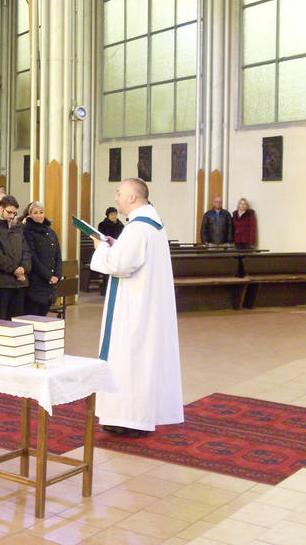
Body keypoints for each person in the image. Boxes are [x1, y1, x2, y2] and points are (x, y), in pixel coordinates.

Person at [89, 178, 183, 437]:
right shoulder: (151, 225)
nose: (116, 198)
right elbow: (130, 256)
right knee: (137, 362)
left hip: (133, 310)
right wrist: (114, 245)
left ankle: (130, 419)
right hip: (143, 305)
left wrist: (101, 248)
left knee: (129, 361)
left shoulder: (138, 228)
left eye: (119, 193)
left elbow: (120, 265)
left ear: (132, 197)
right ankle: (128, 417)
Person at [0, 195, 31, 320]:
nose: (12, 216)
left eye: (14, 213)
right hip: (0, 283)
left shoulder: (17, 228)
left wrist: (23, 268)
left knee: (17, 322)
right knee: (0, 322)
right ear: (1, 209)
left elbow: (26, 251)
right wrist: (14, 269)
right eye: (9, 212)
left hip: (19, 282)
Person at [21, 201, 62, 317]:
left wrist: (57, 275)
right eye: (35, 213)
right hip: (36, 281)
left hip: (51, 283)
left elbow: (57, 255)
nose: (39, 215)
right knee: (33, 316)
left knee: (43, 316)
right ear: (30, 215)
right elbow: (32, 257)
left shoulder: (51, 232)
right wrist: (48, 276)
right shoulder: (27, 232)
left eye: (41, 212)